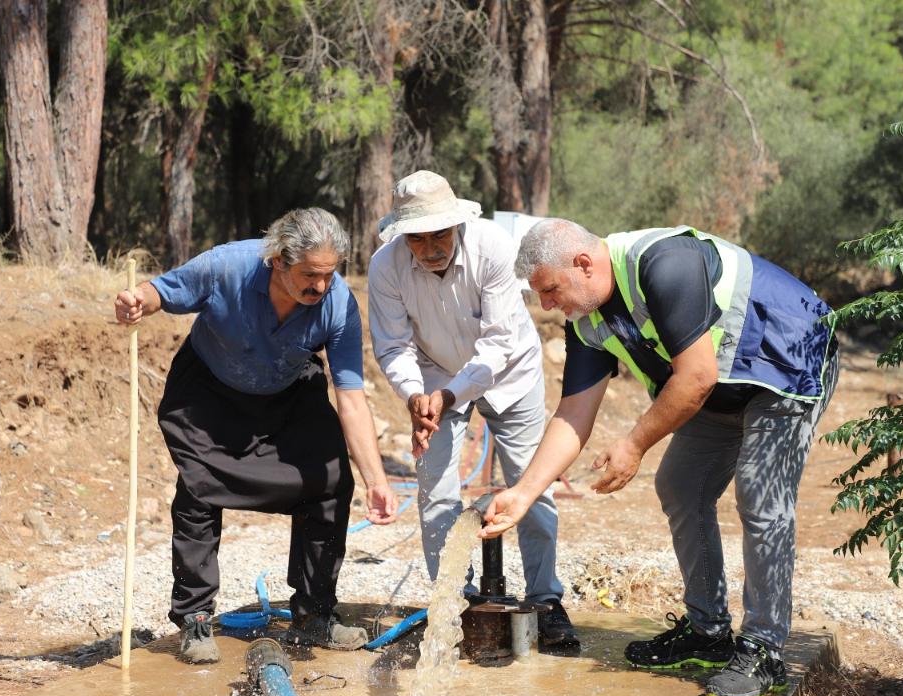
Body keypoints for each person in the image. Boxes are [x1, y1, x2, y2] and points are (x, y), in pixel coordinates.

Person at [479, 218, 838, 696]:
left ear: (583, 264)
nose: (545, 305)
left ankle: (764, 650)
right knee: (681, 485)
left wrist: (633, 444)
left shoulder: (664, 263)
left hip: (788, 362)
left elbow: (696, 377)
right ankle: (708, 633)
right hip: (722, 386)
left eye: (549, 289)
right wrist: (524, 493)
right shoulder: (586, 319)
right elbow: (574, 413)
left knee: (760, 495)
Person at [114, 208, 398, 664]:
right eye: (310, 275)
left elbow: (350, 396)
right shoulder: (226, 267)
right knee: (199, 489)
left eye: (329, 274)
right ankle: (195, 617)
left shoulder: (338, 304)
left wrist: (377, 480)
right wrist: (137, 302)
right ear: (278, 261)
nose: (320, 286)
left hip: (287, 394)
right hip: (209, 392)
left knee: (330, 482)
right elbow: (160, 292)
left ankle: (314, 613)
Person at [367, 170, 579, 652]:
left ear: (457, 223)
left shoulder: (493, 247)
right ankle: (451, 605)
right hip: (433, 376)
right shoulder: (384, 267)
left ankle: (546, 600)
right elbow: (393, 346)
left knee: (529, 483)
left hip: (509, 373)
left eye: (439, 234)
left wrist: (448, 396)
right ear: (402, 235)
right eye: (417, 238)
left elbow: (499, 343)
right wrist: (415, 395)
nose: (429, 248)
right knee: (435, 491)